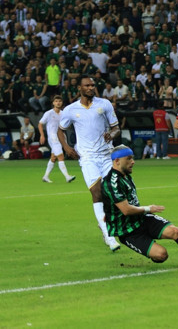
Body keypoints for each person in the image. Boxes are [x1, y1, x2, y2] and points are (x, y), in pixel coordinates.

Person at [102, 145, 178, 269]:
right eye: (128, 159)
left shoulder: (125, 175)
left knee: (175, 232)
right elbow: (126, 209)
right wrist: (148, 208)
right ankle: (148, 246)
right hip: (127, 231)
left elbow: (111, 200)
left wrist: (108, 211)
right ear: (117, 161)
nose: (133, 162)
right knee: (161, 255)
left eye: (132, 158)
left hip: (141, 218)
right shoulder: (112, 182)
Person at [57, 75, 122, 252]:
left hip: (106, 155)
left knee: (111, 193)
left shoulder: (105, 104)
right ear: (80, 88)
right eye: (87, 85)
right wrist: (67, 148)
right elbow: (60, 131)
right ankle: (109, 235)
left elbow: (116, 128)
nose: (91, 88)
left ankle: (107, 225)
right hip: (87, 157)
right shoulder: (71, 110)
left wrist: (112, 135)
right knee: (96, 191)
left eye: (93, 85)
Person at [38, 95, 75, 183]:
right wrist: (42, 135)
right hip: (53, 137)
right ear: (53, 103)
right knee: (61, 156)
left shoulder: (63, 113)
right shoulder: (49, 113)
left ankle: (46, 176)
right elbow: (40, 124)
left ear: (62, 103)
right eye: (56, 101)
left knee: (54, 157)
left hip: (61, 137)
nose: (58, 103)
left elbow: (66, 125)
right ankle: (67, 176)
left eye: (60, 101)